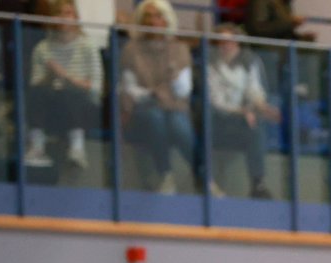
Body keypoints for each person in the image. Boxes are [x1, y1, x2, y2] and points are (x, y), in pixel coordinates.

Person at [119, 0, 198, 194]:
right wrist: (153, 92)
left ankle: (203, 174)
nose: (153, 21)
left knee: (178, 122)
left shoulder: (179, 49)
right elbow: (129, 89)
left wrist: (174, 77)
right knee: (156, 117)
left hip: (174, 108)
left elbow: (184, 90)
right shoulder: (131, 49)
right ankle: (166, 176)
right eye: (148, 17)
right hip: (143, 111)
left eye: (158, 16)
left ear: (166, 19)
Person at [24, 0, 104, 170]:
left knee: (71, 92)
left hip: (82, 106)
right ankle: (36, 147)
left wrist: (66, 77)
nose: (62, 18)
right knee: (40, 93)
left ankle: (77, 148)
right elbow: (35, 85)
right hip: (51, 104)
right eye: (58, 13)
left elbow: (95, 87)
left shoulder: (88, 46)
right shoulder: (42, 48)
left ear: (75, 18)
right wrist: (50, 75)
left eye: (67, 13)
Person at [207, 24, 280, 199]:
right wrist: (242, 111)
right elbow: (216, 101)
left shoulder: (249, 61)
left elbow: (254, 89)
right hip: (218, 120)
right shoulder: (210, 64)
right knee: (248, 120)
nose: (226, 45)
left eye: (230, 41)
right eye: (222, 41)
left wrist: (262, 106)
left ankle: (258, 183)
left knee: (255, 129)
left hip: (243, 120)